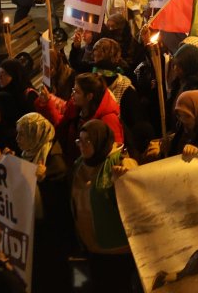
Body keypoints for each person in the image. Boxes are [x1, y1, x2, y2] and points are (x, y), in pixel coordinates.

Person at [71, 119, 139, 292]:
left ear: (100, 141)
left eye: (88, 141)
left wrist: (125, 178)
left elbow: (136, 191)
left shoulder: (120, 162)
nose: (83, 145)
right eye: (80, 140)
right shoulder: (79, 165)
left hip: (116, 253)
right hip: (91, 250)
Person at [15, 112, 72, 291]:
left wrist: (43, 181)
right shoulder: (29, 153)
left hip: (50, 240)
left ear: (35, 134)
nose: (17, 138)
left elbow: (58, 206)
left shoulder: (55, 163)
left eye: (22, 133)